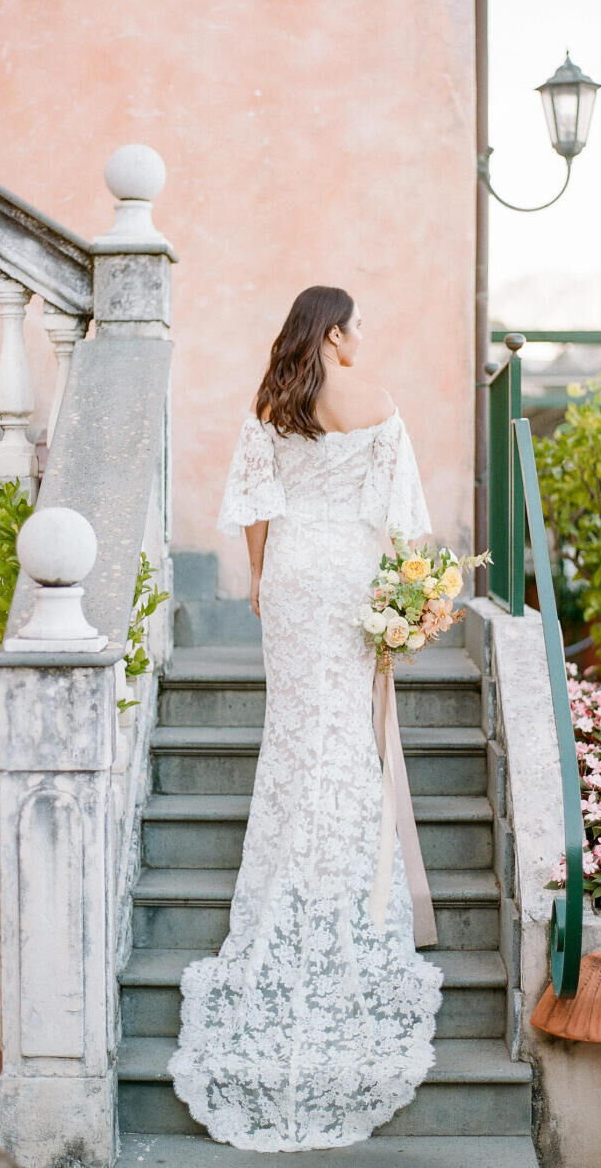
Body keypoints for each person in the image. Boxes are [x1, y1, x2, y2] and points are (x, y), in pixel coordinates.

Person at [167, 285, 443, 1152]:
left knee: (295, 736)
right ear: (334, 332)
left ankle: (287, 871)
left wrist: (260, 581)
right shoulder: (381, 401)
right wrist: (408, 595)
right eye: (357, 324)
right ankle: (345, 888)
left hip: (291, 578)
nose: (364, 337)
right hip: (351, 577)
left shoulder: (272, 400)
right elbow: (402, 521)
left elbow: (254, 512)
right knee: (344, 741)